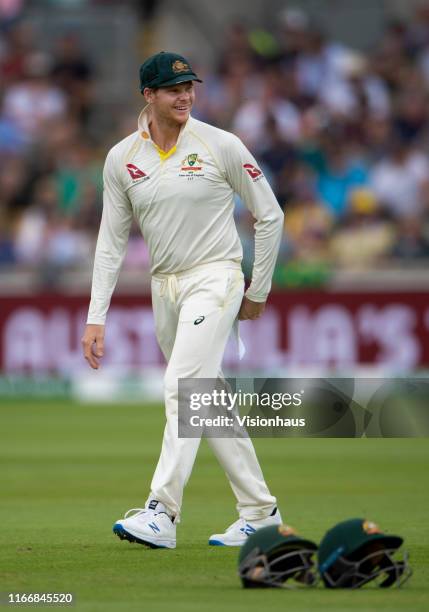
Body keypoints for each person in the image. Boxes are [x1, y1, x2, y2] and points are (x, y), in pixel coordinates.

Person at [81, 51, 284, 549]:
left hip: (215, 277)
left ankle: (162, 512)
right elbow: (110, 241)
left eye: (189, 87)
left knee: (182, 386)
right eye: (173, 89)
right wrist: (96, 317)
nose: (185, 96)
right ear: (148, 95)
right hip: (164, 287)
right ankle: (261, 513)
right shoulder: (122, 157)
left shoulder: (220, 144)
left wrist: (256, 289)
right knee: (207, 402)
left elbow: (270, 214)